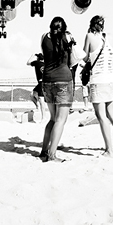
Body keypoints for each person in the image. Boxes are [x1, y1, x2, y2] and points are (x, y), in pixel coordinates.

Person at [83, 15, 113, 157]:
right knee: (111, 113)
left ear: (91, 25)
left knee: (101, 115)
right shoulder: (111, 37)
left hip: (98, 79)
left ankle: (109, 150)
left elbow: (84, 57)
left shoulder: (89, 36)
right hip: (110, 79)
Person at [40, 16, 74, 162]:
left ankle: (44, 151)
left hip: (47, 80)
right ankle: (52, 154)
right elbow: (72, 59)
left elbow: (45, 52)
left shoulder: (44, 37)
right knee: (61, 120)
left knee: (52, 119)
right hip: (63, 80)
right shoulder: (68, 37)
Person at [27, 53, 45, 122]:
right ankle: (38, 107)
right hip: (42, 83)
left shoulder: (37, 63)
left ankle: (43, 118)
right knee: (32, 94)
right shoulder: (46, 64)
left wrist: (32, 56)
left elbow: (28, 63)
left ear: (38, 58)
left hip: (42, 83)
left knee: (41, 100)